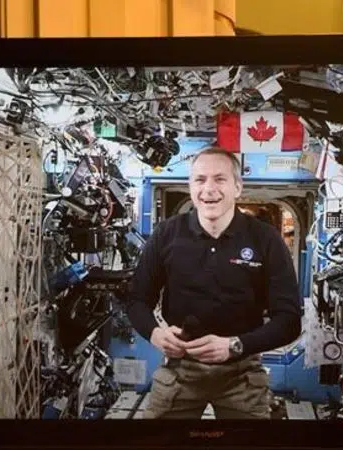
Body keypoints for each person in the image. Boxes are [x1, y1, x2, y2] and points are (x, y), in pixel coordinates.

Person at [126, 147, 302, 419]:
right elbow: (137, 300)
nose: (209, 189)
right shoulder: (167, 234)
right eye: (200, 179)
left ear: (237, 187)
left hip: (242, 372)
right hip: (180, 369)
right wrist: (155, 334)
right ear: (190, 187)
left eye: (220, 179)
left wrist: (235, 345)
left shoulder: (266, 239)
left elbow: (289, 321)